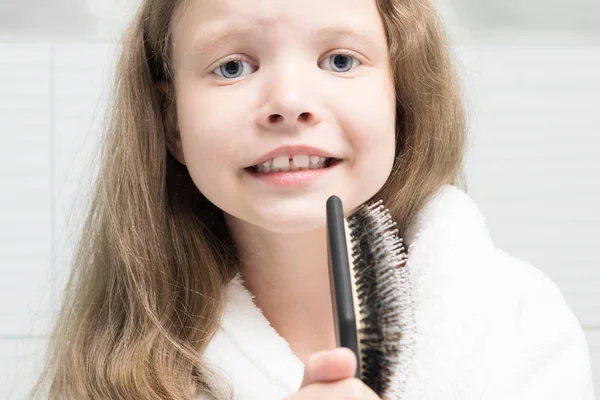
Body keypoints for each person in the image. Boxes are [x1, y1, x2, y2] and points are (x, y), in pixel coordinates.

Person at [32, 0, 595, 398]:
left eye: (341, 60)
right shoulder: (115, 370)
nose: (290, 102)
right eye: (232, 67)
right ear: (171, 124)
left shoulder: (516, 323)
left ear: (401, 96)